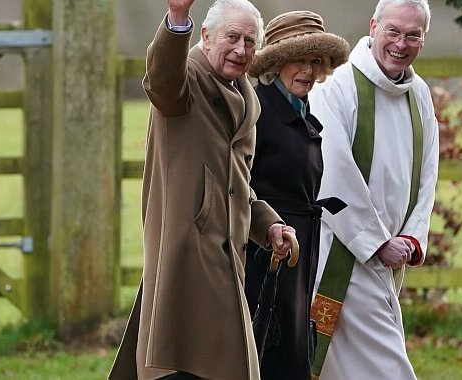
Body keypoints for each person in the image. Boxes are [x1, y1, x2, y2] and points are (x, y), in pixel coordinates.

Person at [108, 0, 296, 379]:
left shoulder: (245, 98)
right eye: (232, 37)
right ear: (206, 37)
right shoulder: (185, 81)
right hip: (186, 258)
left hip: (227, 258)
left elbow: (236, 185)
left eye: (250, 40)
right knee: (183, 364)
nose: (241, 49)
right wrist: (177, 19)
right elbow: (161, 79)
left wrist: (269, 226)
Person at [307, 0, 439, 379]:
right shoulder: (337, 86)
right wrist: (378, 242)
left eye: (413, 35)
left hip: (389, 260)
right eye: (393, 31)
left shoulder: (420, 95)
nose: (401, 43)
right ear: (373, 27)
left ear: (423, 39)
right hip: (343, 257)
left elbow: (428, 173)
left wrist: (412, 239)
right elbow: (330, 172)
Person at [241, 10, 349, 380]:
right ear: (277, 63)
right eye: (297, 60)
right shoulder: (259, 109)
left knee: (294, 351)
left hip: (300, 249)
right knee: (271, 351)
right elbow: (241, 179)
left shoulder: (302, 109)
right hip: (267, 251)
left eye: (314, 61)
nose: (307, 70)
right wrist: (268, 230)